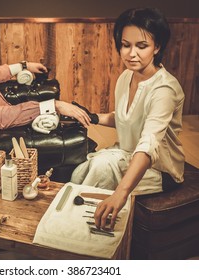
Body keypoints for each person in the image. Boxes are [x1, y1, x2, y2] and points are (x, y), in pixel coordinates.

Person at [71, 7, 185, 230]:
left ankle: (77, 229)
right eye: (126, 45)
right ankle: (72, 225)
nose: (131, 54)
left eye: (142, 46)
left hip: (160, 170)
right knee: (83, 166)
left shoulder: (164, 90)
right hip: (126, 154)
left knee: (101, 167)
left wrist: (120, 194)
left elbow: (148, 143)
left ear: (157, 47)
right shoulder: (126, 77)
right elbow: (126, 117)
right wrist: (92, 116)